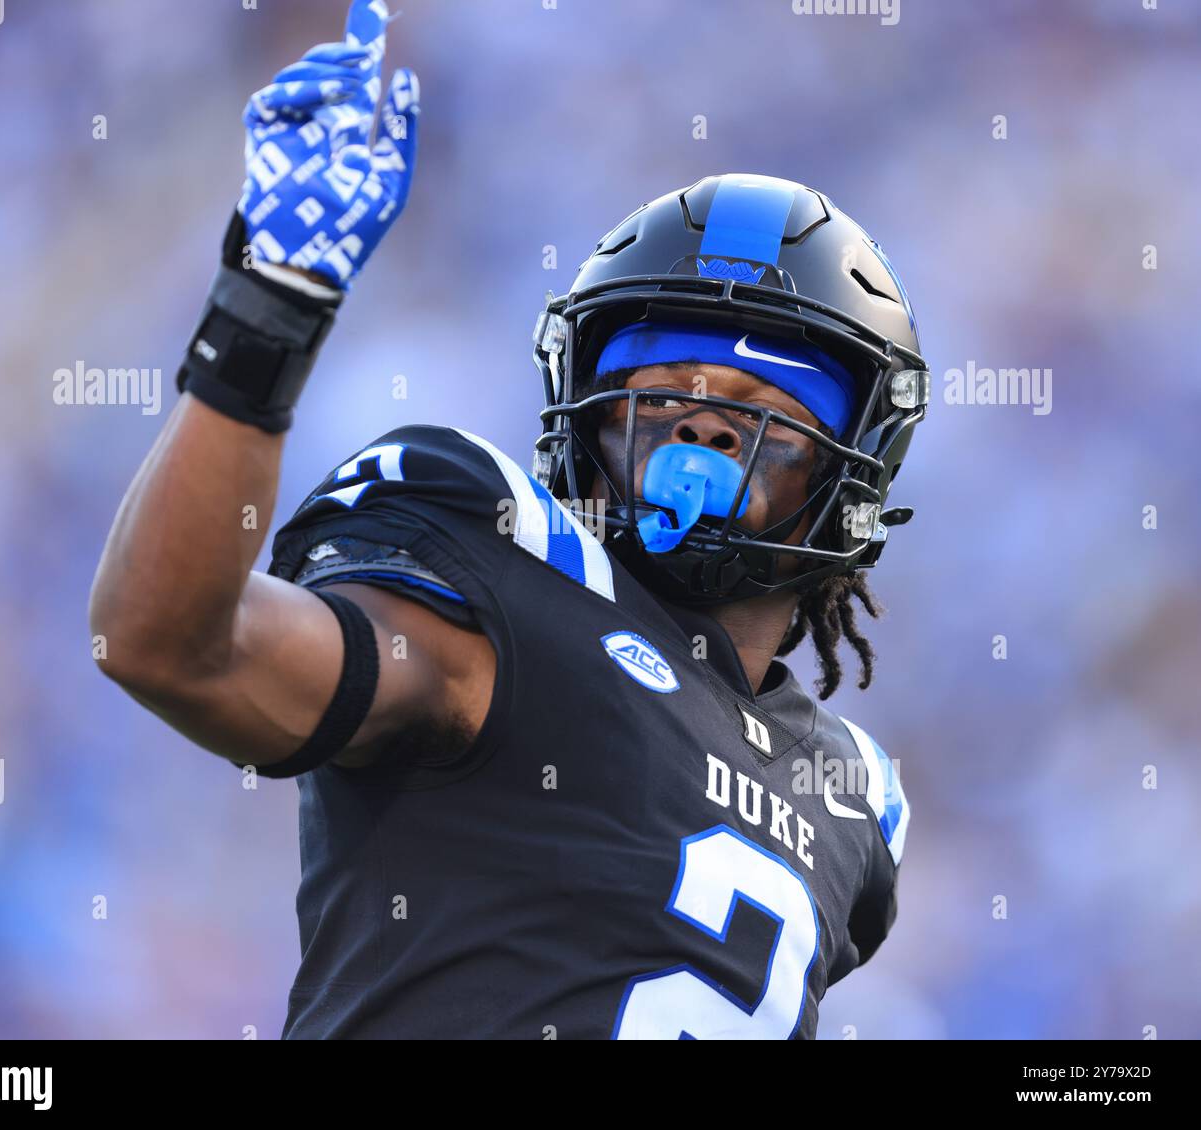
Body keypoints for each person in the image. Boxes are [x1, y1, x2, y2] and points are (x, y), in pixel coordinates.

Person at [90, 0, 927, 1039]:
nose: (701, 434)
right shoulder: (511, 580)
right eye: (661, 393)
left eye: (759, 412)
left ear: (856, 465)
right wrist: (268, 313)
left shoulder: (854, 797)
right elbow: (169, 645)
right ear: (587, 417)